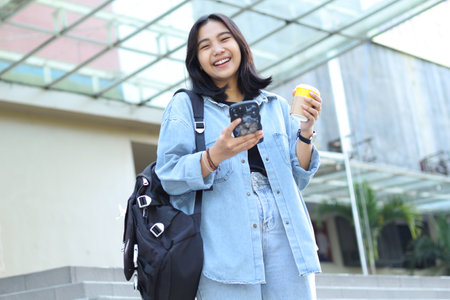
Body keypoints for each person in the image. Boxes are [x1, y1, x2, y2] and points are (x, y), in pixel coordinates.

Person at [155, 13, 323, 300]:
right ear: (196, 60)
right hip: (223, 240)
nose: (217, 50)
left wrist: (306, 131)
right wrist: (212, 157)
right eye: (205, 46)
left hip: (287, 235)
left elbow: (298, 178)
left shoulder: (276, 106)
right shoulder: (185, 106)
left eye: (224, 39)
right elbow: (169, 175)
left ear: (240, 45)